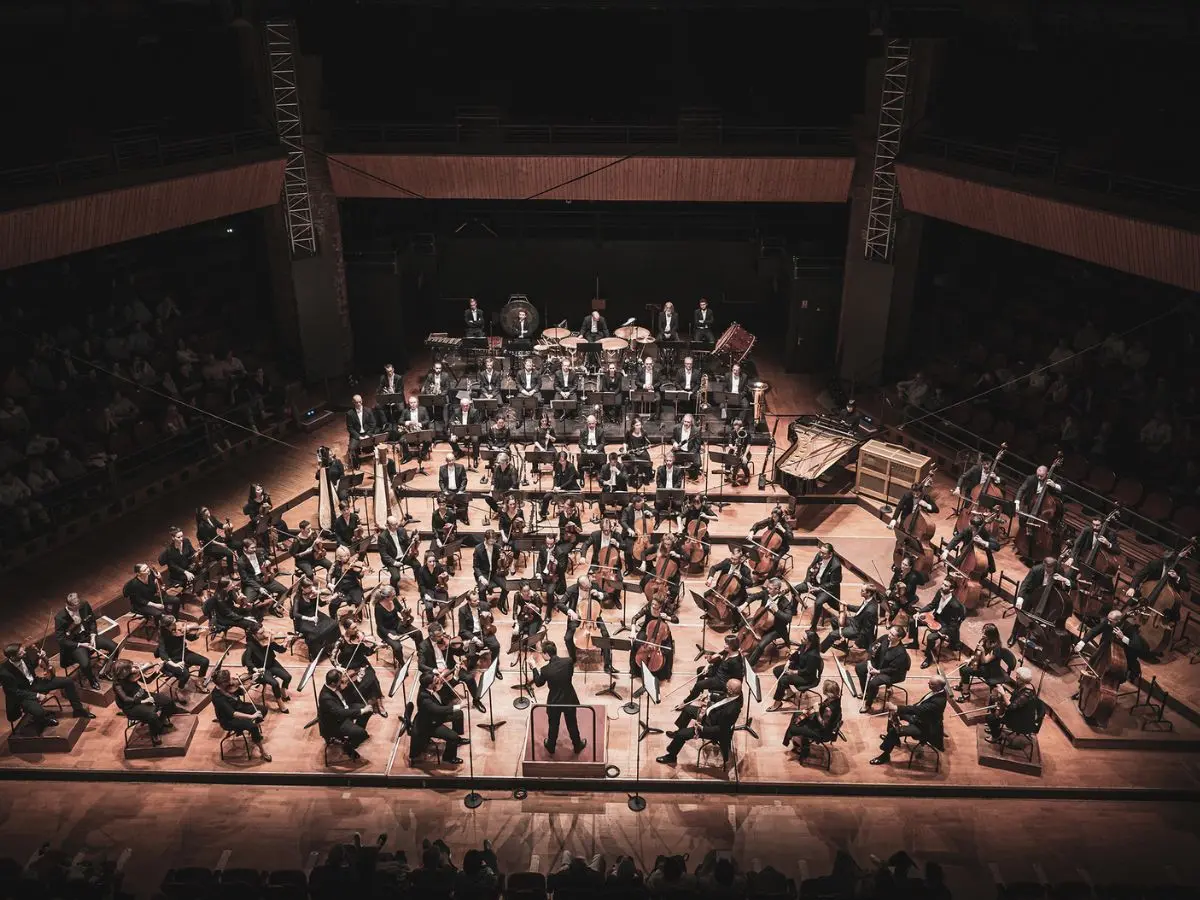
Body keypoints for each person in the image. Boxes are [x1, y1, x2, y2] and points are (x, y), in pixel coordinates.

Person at [1, 642, 95, 730]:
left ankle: (78, 709)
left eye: (23, 651)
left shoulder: (24, 657)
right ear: (12, 657)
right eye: (21, 653)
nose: (24, 653)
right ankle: (43, 721)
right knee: (39, 712)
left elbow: (30, 667)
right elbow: (14, 692)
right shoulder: (5, 672)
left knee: (68, 681)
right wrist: (37, 695)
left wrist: (40, 658)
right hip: (23, 694)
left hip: (35, 683)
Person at [655, 677, 743, 766]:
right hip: (711, 715)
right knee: (687, 709)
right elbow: (723, 698)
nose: (725, 687)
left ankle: (671, 757)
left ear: (731, 691)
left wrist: (703, 728)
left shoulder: (731, 710)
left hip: (711, 728)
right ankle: (677, 731)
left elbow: (721, 729)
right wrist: (709, 696)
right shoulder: (736, 693)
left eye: (727, 687)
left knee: (682, 734)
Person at [871, 673, 948, 765]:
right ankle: (893, 740)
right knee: (893, 713)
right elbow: (920, 705)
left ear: (939, 686)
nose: (928, 684)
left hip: (925, 727)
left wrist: (897, 707)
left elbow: (918, 709)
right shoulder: (938, 691)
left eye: (931, 684)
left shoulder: (938, 701)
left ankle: (885, 755)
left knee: (894, 731)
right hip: (920, 718)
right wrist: (897, 710)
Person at [532, 640, 589, 754]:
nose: (542, 655)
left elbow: (538, 683)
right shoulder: (568, 662)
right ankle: (577, 745)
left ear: (547, 654)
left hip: (554, 701)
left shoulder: (545, 670)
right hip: (569, 698)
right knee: (572, 723)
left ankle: (551, 746)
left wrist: (534, 667)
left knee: (553, 725)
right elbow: (569, 675)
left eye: (542, 653)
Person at [53, 592, 116, 689]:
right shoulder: (60, 618)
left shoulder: (84, 605)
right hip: (76, 643)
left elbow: (92, 621)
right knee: (85, 664)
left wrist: (93, 635)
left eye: (78, 605)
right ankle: (92, 680)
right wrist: (80, 645)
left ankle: (106, 670)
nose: (78, 608)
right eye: (75, 607)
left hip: (88, 636)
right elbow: (61, 640)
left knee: (114, 647)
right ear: (68, 606)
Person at [1075, 609, 1150, 686]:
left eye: (1110, 621)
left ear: (1118, 621)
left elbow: (1137, 646)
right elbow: (1094, 631)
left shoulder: (1129, 628)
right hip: (1103, 650)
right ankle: (1083, 686)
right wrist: (1082, 642)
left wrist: (1123, 637)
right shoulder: (1108, 622)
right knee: (1093, 662)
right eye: (1108, 620)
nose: (1108, 622)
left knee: (1112, 676)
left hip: (1122, 659)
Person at [558, 575, 616, 674]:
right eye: (586, 588)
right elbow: (560, 603)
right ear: (580, 586)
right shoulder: (571, 590)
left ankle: (608, 665)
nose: (589, 588)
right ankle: (573, 658)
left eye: (589, 585)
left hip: (594, 617)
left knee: (606, 636)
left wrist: (599, 594)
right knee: (568, 638)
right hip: (577, 617)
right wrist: (570, 611)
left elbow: (607, 595)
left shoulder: (594, 585)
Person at [212, 668, 272, 761]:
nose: (231, 681)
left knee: (263, 710)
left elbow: (243, 692)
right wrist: (252, 716)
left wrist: (251, 682)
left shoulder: (229, 686)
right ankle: (262, 751)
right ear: (222, 683)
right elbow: (233, 714)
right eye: (228, 681)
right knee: (253, 726)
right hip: (229, 719)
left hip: (240, 707)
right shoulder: (217, 697)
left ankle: (253, 734)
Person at [112, 659, 177, 745]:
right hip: (132, 706)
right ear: (123, 671)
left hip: (144, 695)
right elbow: (125, 699)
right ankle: (155, 734)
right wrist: (143, 701)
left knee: (167, 701)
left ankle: (162, 718)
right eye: (129, 668)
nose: (132, 669)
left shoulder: (132, 675)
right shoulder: (117, 684)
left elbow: (148, 681)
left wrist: (157, 671)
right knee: (151, 714)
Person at [410, 671, 466, 765]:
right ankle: (449, 757)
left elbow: (445, 691)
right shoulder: (425, 700)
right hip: (430, 724)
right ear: (430, 684)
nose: (438, 680)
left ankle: (458, 739)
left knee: (458, 714)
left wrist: (455, 676)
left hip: (435, 716)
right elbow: (439, 710)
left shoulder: (428, 688)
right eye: (435, 680)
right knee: (453, 737)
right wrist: (459, 706)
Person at [318, 668, 373, 760]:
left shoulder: (334, 687)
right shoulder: (326, 698)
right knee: (362, 734)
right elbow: (341, 713)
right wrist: (361, 711)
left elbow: (347, 693)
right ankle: (348, 746)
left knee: (367, 710)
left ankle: (353, 734)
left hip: (343, 709)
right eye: (340, 680)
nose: (343, 680)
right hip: (334, 723)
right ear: (333, 683)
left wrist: (358, 680)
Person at [782, 678, 843, 761]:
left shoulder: (829, 710)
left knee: (793, 728)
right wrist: (811, 709)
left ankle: (802, 746)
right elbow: (824, 706)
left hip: (821, 732)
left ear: (829, 694)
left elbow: (823, 724)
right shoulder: (836, 699)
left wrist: (817, 711)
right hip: (821, 724)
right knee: (797, 714)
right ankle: (799, 742)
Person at [856, 626, 910, 712]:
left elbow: (893, 669)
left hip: (892, 673)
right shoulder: (885, 638)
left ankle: (868, 705)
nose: (889, 635)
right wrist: (869, 661)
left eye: (892, 635)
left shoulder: (900, 652)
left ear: (899, 638)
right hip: (879, 664)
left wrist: (878, 672)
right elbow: (872, 647)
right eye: (890, 632)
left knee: (873, 683)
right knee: (860, 668)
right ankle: (866, 693)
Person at [744, 577, 796, 666]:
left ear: (777, 589)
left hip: (776, 628)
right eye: (768, 587)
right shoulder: (766, 593)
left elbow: (788, 618)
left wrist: (777, 611)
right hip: (761, 623)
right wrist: (745, 604)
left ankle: (749, 665)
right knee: (744, 625)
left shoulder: (785, 602)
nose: (767, 590)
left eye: (770, 588)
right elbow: (754, 596)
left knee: (761, 645)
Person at [682, 634, 745, 704]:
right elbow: (715, 656)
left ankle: (685, 702)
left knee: (698, 685)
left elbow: (738, 679)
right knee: (700, 669)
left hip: (721, 680)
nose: (724, 645)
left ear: (733, 646)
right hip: (718, 670)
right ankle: (699, 692)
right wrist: (707, 666)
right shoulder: (727, 651)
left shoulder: (736, 662)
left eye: (727, 644)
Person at [242, 623, 292, 712]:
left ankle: (283, 690)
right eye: (260, 633)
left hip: (271, 663)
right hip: (260, 669)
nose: (264, 634)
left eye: (263, 631)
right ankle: (280, 702)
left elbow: (280, 650)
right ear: (254, 635)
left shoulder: (268, 639)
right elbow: (247, 661)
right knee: (275, 683)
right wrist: (256, 670)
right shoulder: (250, 645)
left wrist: (286, 643)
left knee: (288, 677)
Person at [768, 629, 822, 710]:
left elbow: (808, 671)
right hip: (800, 667)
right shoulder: (804, 645)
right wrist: (789, 660)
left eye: (804, 638)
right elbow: (797, 654)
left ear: (810, 641)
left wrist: (793, 672)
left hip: (807, 677)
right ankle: (790, 693)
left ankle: (777, 703)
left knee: (783, 680)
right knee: (777, 670)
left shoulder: (813, 655)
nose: (801, 639)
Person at [918, 578, 966, 668]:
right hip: (935, 618)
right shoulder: (939, 592)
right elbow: (932, 605)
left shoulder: (955, 605)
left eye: (945, 585)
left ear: (951, 589)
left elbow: (954, 624)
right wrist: (919, 612)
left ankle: (929, 659)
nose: (942, 586)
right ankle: (914, 643)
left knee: (930, 638)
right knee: (914, 620)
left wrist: (945, 633)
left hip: (945, 625)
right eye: (943, 584)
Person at [155, 616, 210, 692]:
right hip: (172, 659)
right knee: (185, 674)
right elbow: (163, 654)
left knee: (205, 661)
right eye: (174, 624)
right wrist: (175, 665)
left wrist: (198, 634)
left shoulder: (179, 630)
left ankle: (199, 682)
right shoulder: (162, 636)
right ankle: (180, 689)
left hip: (183, 653)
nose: (177, 625)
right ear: (167, 627)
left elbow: (190, 638)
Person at [985, 666, 1039, 742]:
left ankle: (996, 736)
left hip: (1021, 721)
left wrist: (1003, 694)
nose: (1015, 679)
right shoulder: (1022, 685)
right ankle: (995, 728)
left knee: (990, 718)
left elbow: (1011, 707)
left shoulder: (1027, 693)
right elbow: (1015, 698)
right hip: (1019, 712)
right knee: (994, 705)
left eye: (1017, 678)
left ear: (1022, 680)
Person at [820, 585, 879, 653]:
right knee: (833, 620)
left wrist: (858, 643)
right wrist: (847, 605)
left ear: (868, 593)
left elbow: (866, 630)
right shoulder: (869, 600)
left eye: (862, 591)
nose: (860, 592)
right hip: (855, 621)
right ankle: (843, 644)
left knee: (832, 634)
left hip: (857, 629)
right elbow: (860, 609)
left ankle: (819, 651)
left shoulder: (870, 610)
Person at [797, 542, 842, 627]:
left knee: (818, 603)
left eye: (823, 553)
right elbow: (810, 568)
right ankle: (793, 610)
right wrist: (808, 581)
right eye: (820, 552)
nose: (821, 554)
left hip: (826, 589)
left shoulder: (836, 565)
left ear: (830, 554)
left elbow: (834, 583)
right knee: (795, 589)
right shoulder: (819, 555)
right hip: (813, 583)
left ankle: (813, 627)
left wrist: (819, 588)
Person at [472, 530, 509, 614]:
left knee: (507, 587)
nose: (493, 542)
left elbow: (504, 564)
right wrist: (481, 577)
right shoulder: (478, 549)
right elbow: (475, 566)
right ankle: (485, 607)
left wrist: (504, 559)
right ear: (485, 539)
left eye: (494, 540)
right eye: (490, 541)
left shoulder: (498, 547)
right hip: (483, 573)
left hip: (495, 572)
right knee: (481, 589)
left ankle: (501, 603)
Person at [447, 398, 482, 468]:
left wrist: (469, 433)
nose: (465, 407)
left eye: (467, 406)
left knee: (475, 439)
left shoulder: (474, 412)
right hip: (460, 432)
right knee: (450, 439)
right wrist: (454, 428)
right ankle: (459, 452)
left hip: (471, 432)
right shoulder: (456, 411)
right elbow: (451, 421)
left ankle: (475, 457)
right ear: (461, 405)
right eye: (463, 406)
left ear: (469, 405)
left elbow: (477, 423)